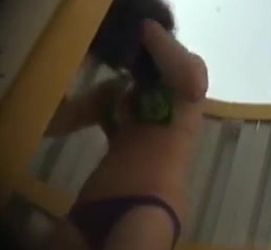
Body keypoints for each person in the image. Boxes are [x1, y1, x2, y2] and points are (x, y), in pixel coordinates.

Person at [47, 19, 208, 250]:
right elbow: (53, 122)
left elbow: (194, 84)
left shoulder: (184, 77)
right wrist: (77, 59)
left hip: (148, 207)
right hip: (87, 207)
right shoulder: (114, 91)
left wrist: (145, 24)